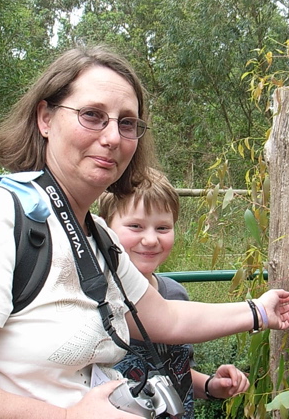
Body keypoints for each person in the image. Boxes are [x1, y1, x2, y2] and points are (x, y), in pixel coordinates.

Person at [0, 45, 289, 419]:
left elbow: (163, 316)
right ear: (45, 118)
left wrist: (258, 312)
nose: (113, 137)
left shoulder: (97, 236)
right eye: (92, 116)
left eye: (128, 123)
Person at [99, 168, 250, 418]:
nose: (150, 239)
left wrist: (212, 386)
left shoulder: (174, 294)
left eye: (162, 228)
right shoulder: (97, 298)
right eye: (135, 226)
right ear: (104, 228)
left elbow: (177, 372)